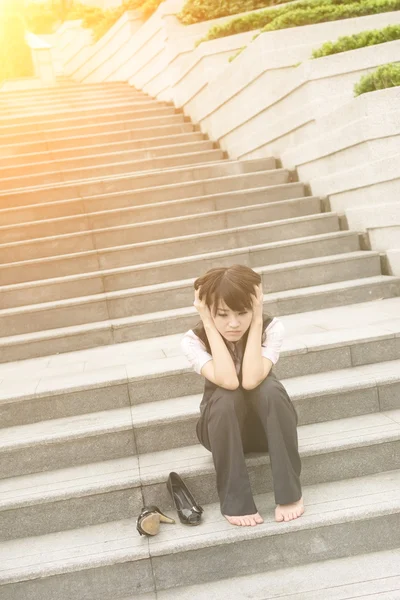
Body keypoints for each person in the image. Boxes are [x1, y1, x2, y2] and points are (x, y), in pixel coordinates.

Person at [180, 264, 304, 527]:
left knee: (268, 388)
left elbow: (249, 380)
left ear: (255, 306)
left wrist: (257, 319)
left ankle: (290, 493)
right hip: (220, 429)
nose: (233, 323)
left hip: (266, 429)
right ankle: (236, 502)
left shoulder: (272, 329)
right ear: (207, 310)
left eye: (243, 312)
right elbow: (227, 380)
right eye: (222, 314)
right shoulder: (194, 341)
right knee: (226, 396)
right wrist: (208, 323)